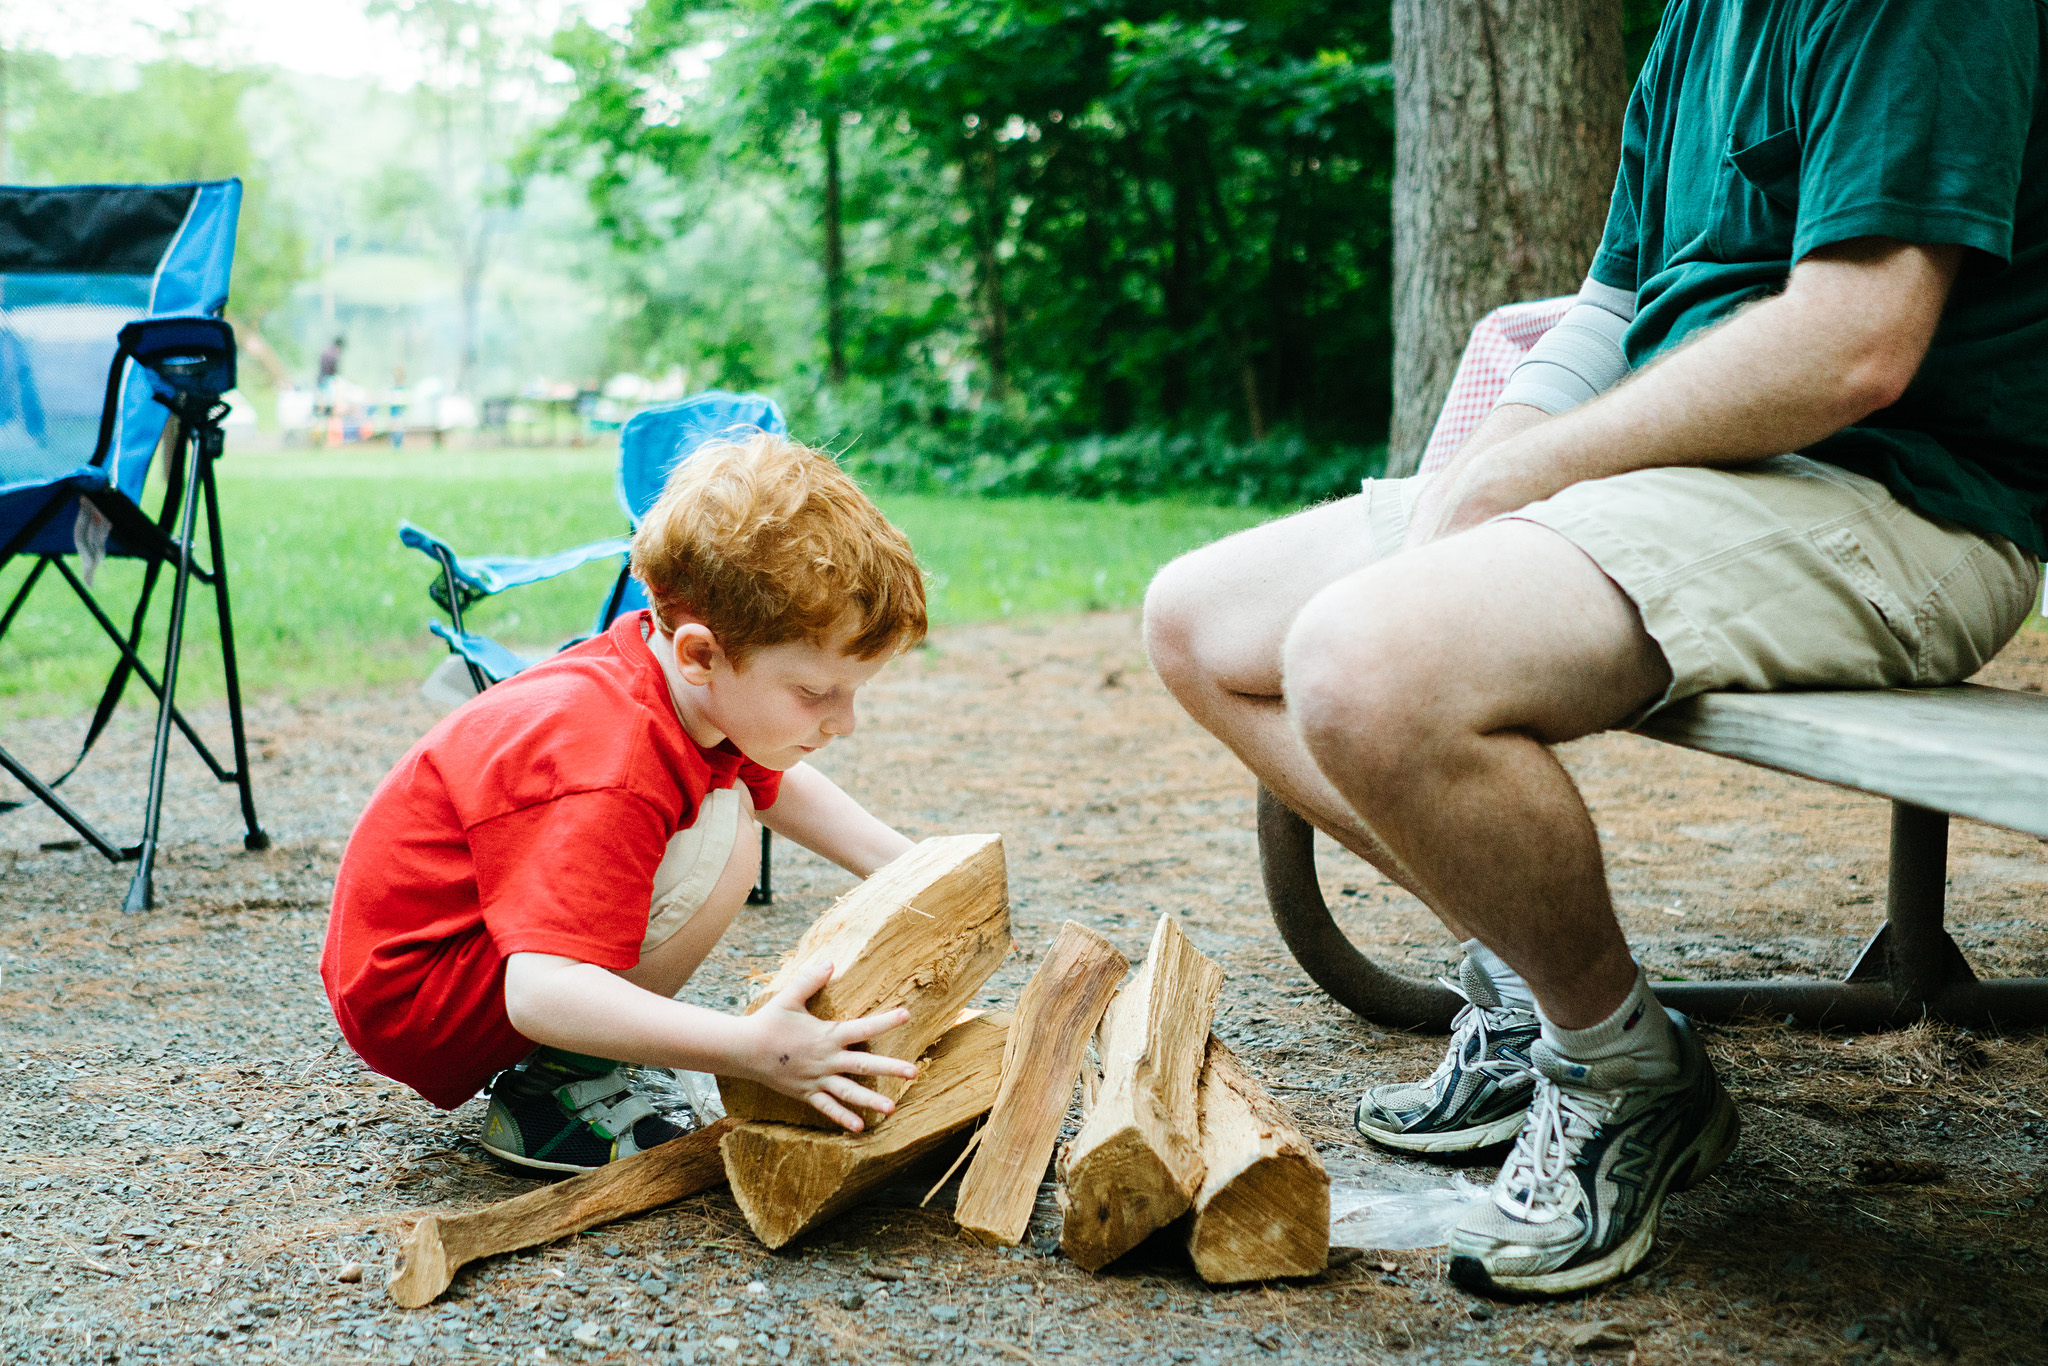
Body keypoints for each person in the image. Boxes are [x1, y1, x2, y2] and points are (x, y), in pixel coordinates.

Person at [1144, 0, 2044, 1298]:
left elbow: (1859, 340)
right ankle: (1542, 986)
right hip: (1685, 472)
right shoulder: (1694, 21)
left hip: (1896, 498)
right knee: (1200, 619)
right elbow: (1616, 305)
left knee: (1365, 662)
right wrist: (1475, 479)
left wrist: (1533, 476)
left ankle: (1622, 1071)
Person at [321, 433, 932, 1171]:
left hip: (457, 962)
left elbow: (786, 786)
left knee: (729, 800)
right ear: (700, 654)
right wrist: (749, 1051)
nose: (844, 721)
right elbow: (540, 995)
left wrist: (916, 872)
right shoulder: (611, 759)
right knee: (723, 828)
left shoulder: (680, 685)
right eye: (815, 692)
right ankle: (560, 1093)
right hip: (427, 997)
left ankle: (585, 1065)